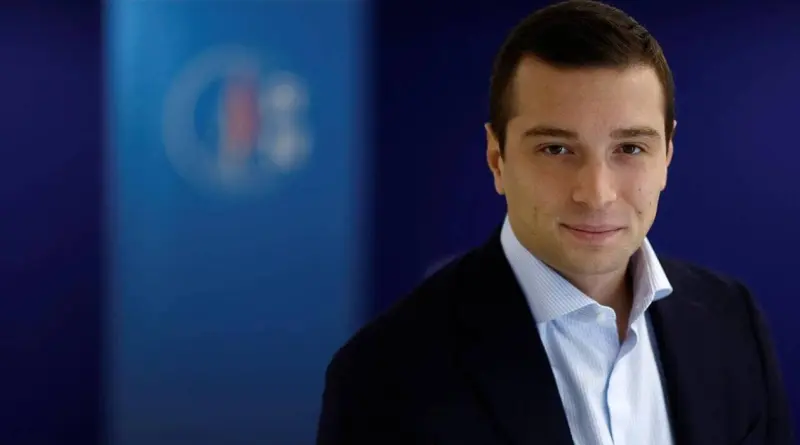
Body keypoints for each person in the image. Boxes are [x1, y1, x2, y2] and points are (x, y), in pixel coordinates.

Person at [316, 1, 795, 444]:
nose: (596, 193)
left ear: (667, 153)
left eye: (630, 148)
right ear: (496, 157)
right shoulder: (383, 375)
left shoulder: (733, 320)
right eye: (556, 149)